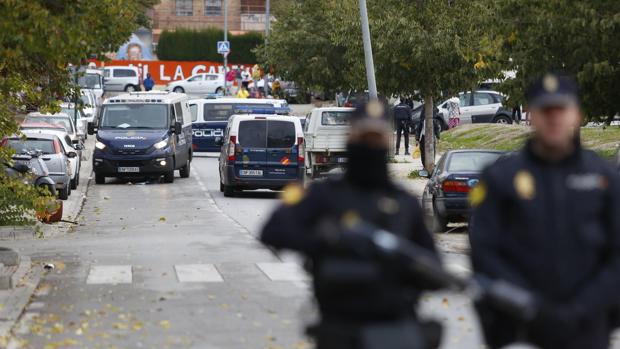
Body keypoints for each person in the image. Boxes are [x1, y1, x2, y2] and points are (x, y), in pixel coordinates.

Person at [261, 100, 441, 349]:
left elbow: (434, 266)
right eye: (363, 136)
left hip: (394, 327)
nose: (370, 145)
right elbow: (273, 230)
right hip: (340, 327)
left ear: (387, 142)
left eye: (376, 138)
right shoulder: (324, 195)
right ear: (350, 137)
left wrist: (406, 266)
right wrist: (324, 242)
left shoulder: (404, 202)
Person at [469, 73, 620, 349]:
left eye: (561, 109)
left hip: (586, 329)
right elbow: (484, 252)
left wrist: (583, 307)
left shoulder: (605, 178)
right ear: (531, 115)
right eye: (545, 110)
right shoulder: (500, 177)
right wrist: (532, 306)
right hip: (520, 328)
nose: (554, 118)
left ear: (577, 115)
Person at [415, 105, 441, 170]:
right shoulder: (422, 120)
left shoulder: (434, 120)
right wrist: (417, 139)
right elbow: (418, 129)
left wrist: (438, 138)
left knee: (432, 151)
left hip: (432, 138)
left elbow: (436, 129)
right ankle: (424, 165)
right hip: (423, 137)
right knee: (423, 151)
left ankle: (431, 165)